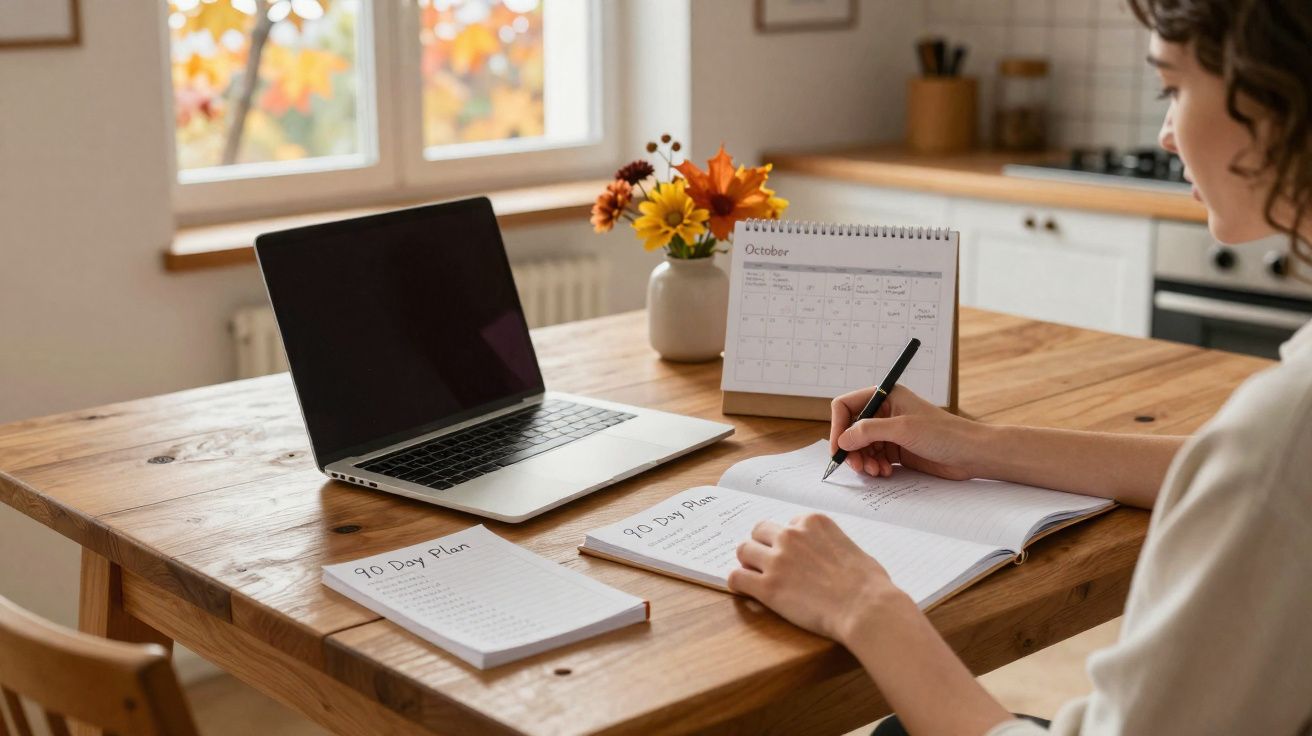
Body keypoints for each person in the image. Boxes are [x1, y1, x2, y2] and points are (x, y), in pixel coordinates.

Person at [726, 0, 1312, 733]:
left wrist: (864, 604)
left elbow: (1265, 468)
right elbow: (1235, 471)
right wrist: (973, 446)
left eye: (1172, 88)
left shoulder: (1287, 427)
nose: (1165, 133)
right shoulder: (1282, 438)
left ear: (1277, 98)